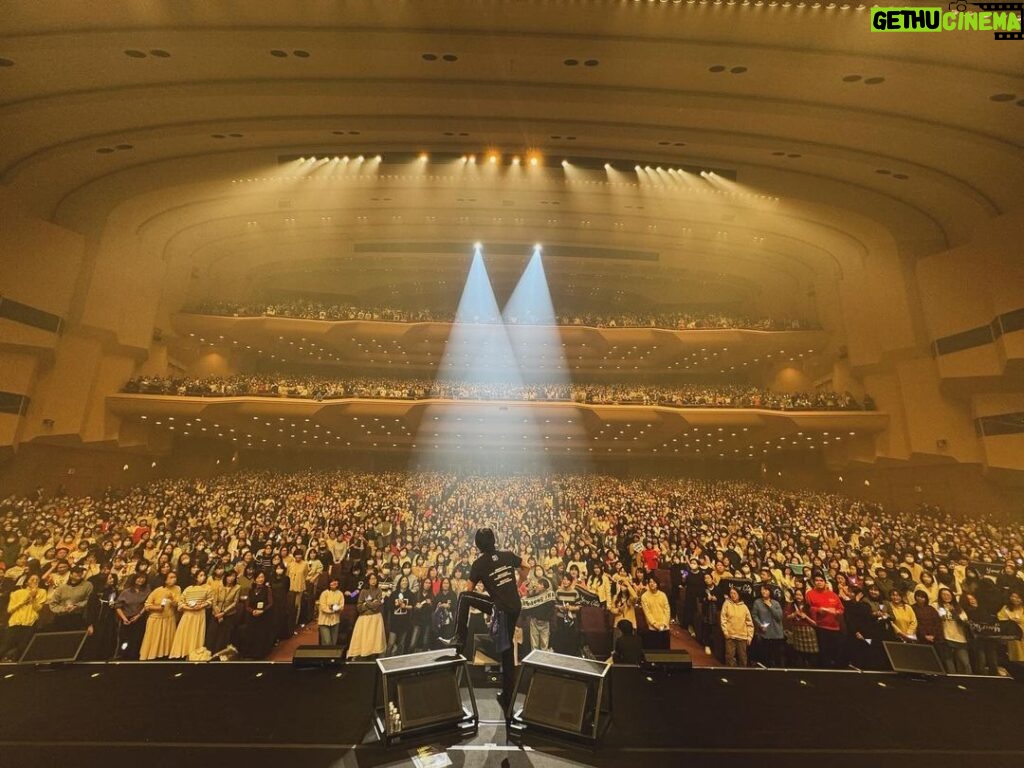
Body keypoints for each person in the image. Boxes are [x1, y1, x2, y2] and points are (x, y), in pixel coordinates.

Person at [440, 528, 529, 710]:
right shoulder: (507, 554)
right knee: (507, 650)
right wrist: (518, 585)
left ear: (477, 544)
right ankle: (507, 697)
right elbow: (526, 565)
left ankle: (459, 637)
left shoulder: (479, 564)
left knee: (464, 597)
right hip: (514, 606)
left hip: (500, 609)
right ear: (494, 540)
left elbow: (468, 590)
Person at [0, 574, 46, 662]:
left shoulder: (42, 592)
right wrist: (24, 601)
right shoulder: (17, 593)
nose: (35, 581)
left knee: (23, 646)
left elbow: (38, 608)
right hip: (15, 621)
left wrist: (33, 597)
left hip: (30, 622)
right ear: (27, 582)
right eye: (32, 579)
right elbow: (10, 609)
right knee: (6, 645)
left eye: (37, 579)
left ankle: (16, 663)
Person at [170, 569, 212, 659]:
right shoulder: (188, 588)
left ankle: (193, 655)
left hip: (199, 614)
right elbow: (181, 602)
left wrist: (201, 606)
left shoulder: (207, 588)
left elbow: (210, 601)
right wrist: (189, 608)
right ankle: (183, 654)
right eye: (200, 575)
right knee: (186, 634)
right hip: (188, 615)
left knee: (197, 634)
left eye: (204, 575)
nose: (203, 577)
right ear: (196, 577)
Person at [805, 574, 844, 668]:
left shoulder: (833, 594)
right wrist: (818, 610)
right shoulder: (809, 594)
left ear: (825, 582)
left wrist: (837, 611)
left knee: (834, 650)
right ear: (814, 582)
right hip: (819, 626)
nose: (819, 582)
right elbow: (807, 608)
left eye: (821, 580)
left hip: (834, 626)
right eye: (817, 580)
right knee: (822, 651)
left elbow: (841, 609)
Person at [140, 572, 180, 660]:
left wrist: (172, 598)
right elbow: (147, 605)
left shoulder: (177, 589)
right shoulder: (158, 590)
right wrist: (157, 608)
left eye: (174, 577)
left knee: (166, 641)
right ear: (165, 580)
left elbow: (178, 604)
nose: (173, 579)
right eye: (171, 577)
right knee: (154, 641)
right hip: (156, 619)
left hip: (169, 619)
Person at [349, 572, 386, 659]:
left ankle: (372, 658)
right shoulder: (363, 591)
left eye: (375, 579)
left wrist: (366, 603)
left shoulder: (379, 590)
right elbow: (359, 607)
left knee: (374, 641)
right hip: (364, 619)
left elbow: (377, 606)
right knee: (364, 640)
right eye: (371, 579)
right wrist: (371, 603)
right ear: (368, 580)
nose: (373, 581)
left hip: (375, 618)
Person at [114, 572, 151, 660]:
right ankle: (122, 657)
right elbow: (118, 606)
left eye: (143, 578)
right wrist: (124, 618)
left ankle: (134, 658)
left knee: (137, 640)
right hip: (126, 619)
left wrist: (138, 615)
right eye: (139, 578)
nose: (141, 580)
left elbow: (147, 604)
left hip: (140, 618)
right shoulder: (126, 592)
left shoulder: (147, 591)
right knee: (124, 640)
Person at [936, 586, 971, 674]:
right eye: (943, 594)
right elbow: (942, 618)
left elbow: (964, 621)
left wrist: (953, 611)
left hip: (960, 638)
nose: (946, 596)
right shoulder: (939, 607)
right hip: (946, 637)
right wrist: (944, 609)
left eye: (948, 594)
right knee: (949, 663)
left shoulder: (958, 608)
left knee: (965, 663)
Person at [242, 571, 276, 659]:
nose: (260, 579)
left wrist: (262, 611)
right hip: (252, 615)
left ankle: (260, 654)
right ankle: (250, 653)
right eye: (258, 577)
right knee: (250, 633)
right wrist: (252, 611)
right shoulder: (251, 589)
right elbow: (247, 604)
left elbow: (270, 603)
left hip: (264, 616)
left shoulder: (267, 589)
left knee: (261, 635)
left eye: (262, 577)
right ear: (255, 579)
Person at [47, 566, 93, 631]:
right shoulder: (62, 587)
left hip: (78, 617)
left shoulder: (88, 585)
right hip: (61, 618)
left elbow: (90, 600)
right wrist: (64, 609)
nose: (80, 573)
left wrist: (76, 606)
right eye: (77, 572)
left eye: (81, 572)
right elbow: (53, 604)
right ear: (71, 574)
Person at [752, 584, 785, 667]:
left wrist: (770, 606)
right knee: (766, 657)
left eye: (766, 590)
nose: (764, 591)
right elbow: (754, 615)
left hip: (776, 634)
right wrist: (760, 625)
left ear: (770, 592)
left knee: (778, 657)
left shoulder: (776, 603)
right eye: (762, 589)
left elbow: (779, 617)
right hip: (765, 633)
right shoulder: (757, 602)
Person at [208, 570, 240, 654]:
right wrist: (218, 613)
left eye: (233, 576)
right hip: (216, 613)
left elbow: (235, 603)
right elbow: (214, 601)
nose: (231, 578)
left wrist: (223, 613)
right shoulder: (219, 586)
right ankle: (210, 653)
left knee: (223, 636)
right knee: (213, 634)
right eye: (229, 576)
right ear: (225, 577)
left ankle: (220, 654)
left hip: (228, 614)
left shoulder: (237, 587)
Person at [721, 586, 754, 667]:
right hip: (730, 636)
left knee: (742, 658)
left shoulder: (744, 607)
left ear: (739, 594)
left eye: (734, 593)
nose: (733, 595)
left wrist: (750, 636)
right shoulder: (726, 604)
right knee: (729, 657)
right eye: (731, 593)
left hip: (742, 637)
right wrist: (725, 632)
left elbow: (749, 623)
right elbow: (723, 619)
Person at [639, 576, 671, 650]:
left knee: (665, 651)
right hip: (652, 628)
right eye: (650, 582)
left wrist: (665, 623)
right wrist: (654, 624)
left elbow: (667, 610)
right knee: (653, 651)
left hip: (664, 627)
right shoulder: (644, 596)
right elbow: (647, 612)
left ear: (657, 584)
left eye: (654, 582)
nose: (652, 584)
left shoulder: (663, 595)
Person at [386, 575, 412, 656]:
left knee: (401, 644)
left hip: (405, 622)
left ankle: (398, 663)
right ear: (399, 583)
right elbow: (389, 607)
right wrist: (395, 604)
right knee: (390, 643)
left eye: (406, 581)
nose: (405, 582)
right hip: (394, 622)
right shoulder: (394, 593)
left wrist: (405, 606)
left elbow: (412, 607)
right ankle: (385, 661)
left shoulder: (410, 594)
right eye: (403, 581)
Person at [997, 590, 1024, 663]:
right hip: (1013, 637)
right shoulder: (1006, 608)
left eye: (1018, 597)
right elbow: (1001, 618)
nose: (1014, 599)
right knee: (1016, 658)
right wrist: (1011, 621)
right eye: (1013, 596)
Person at [317, 576, 344, 647]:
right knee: (327, 642)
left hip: (335, 621)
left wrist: (333, 607)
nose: (333, 583)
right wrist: (334, 609)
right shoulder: (324, 593)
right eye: (331, 581)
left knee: (333, 643)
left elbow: (341, 607)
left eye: (335, 581)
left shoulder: (340, 594)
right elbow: (323, 607)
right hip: (324, 622)